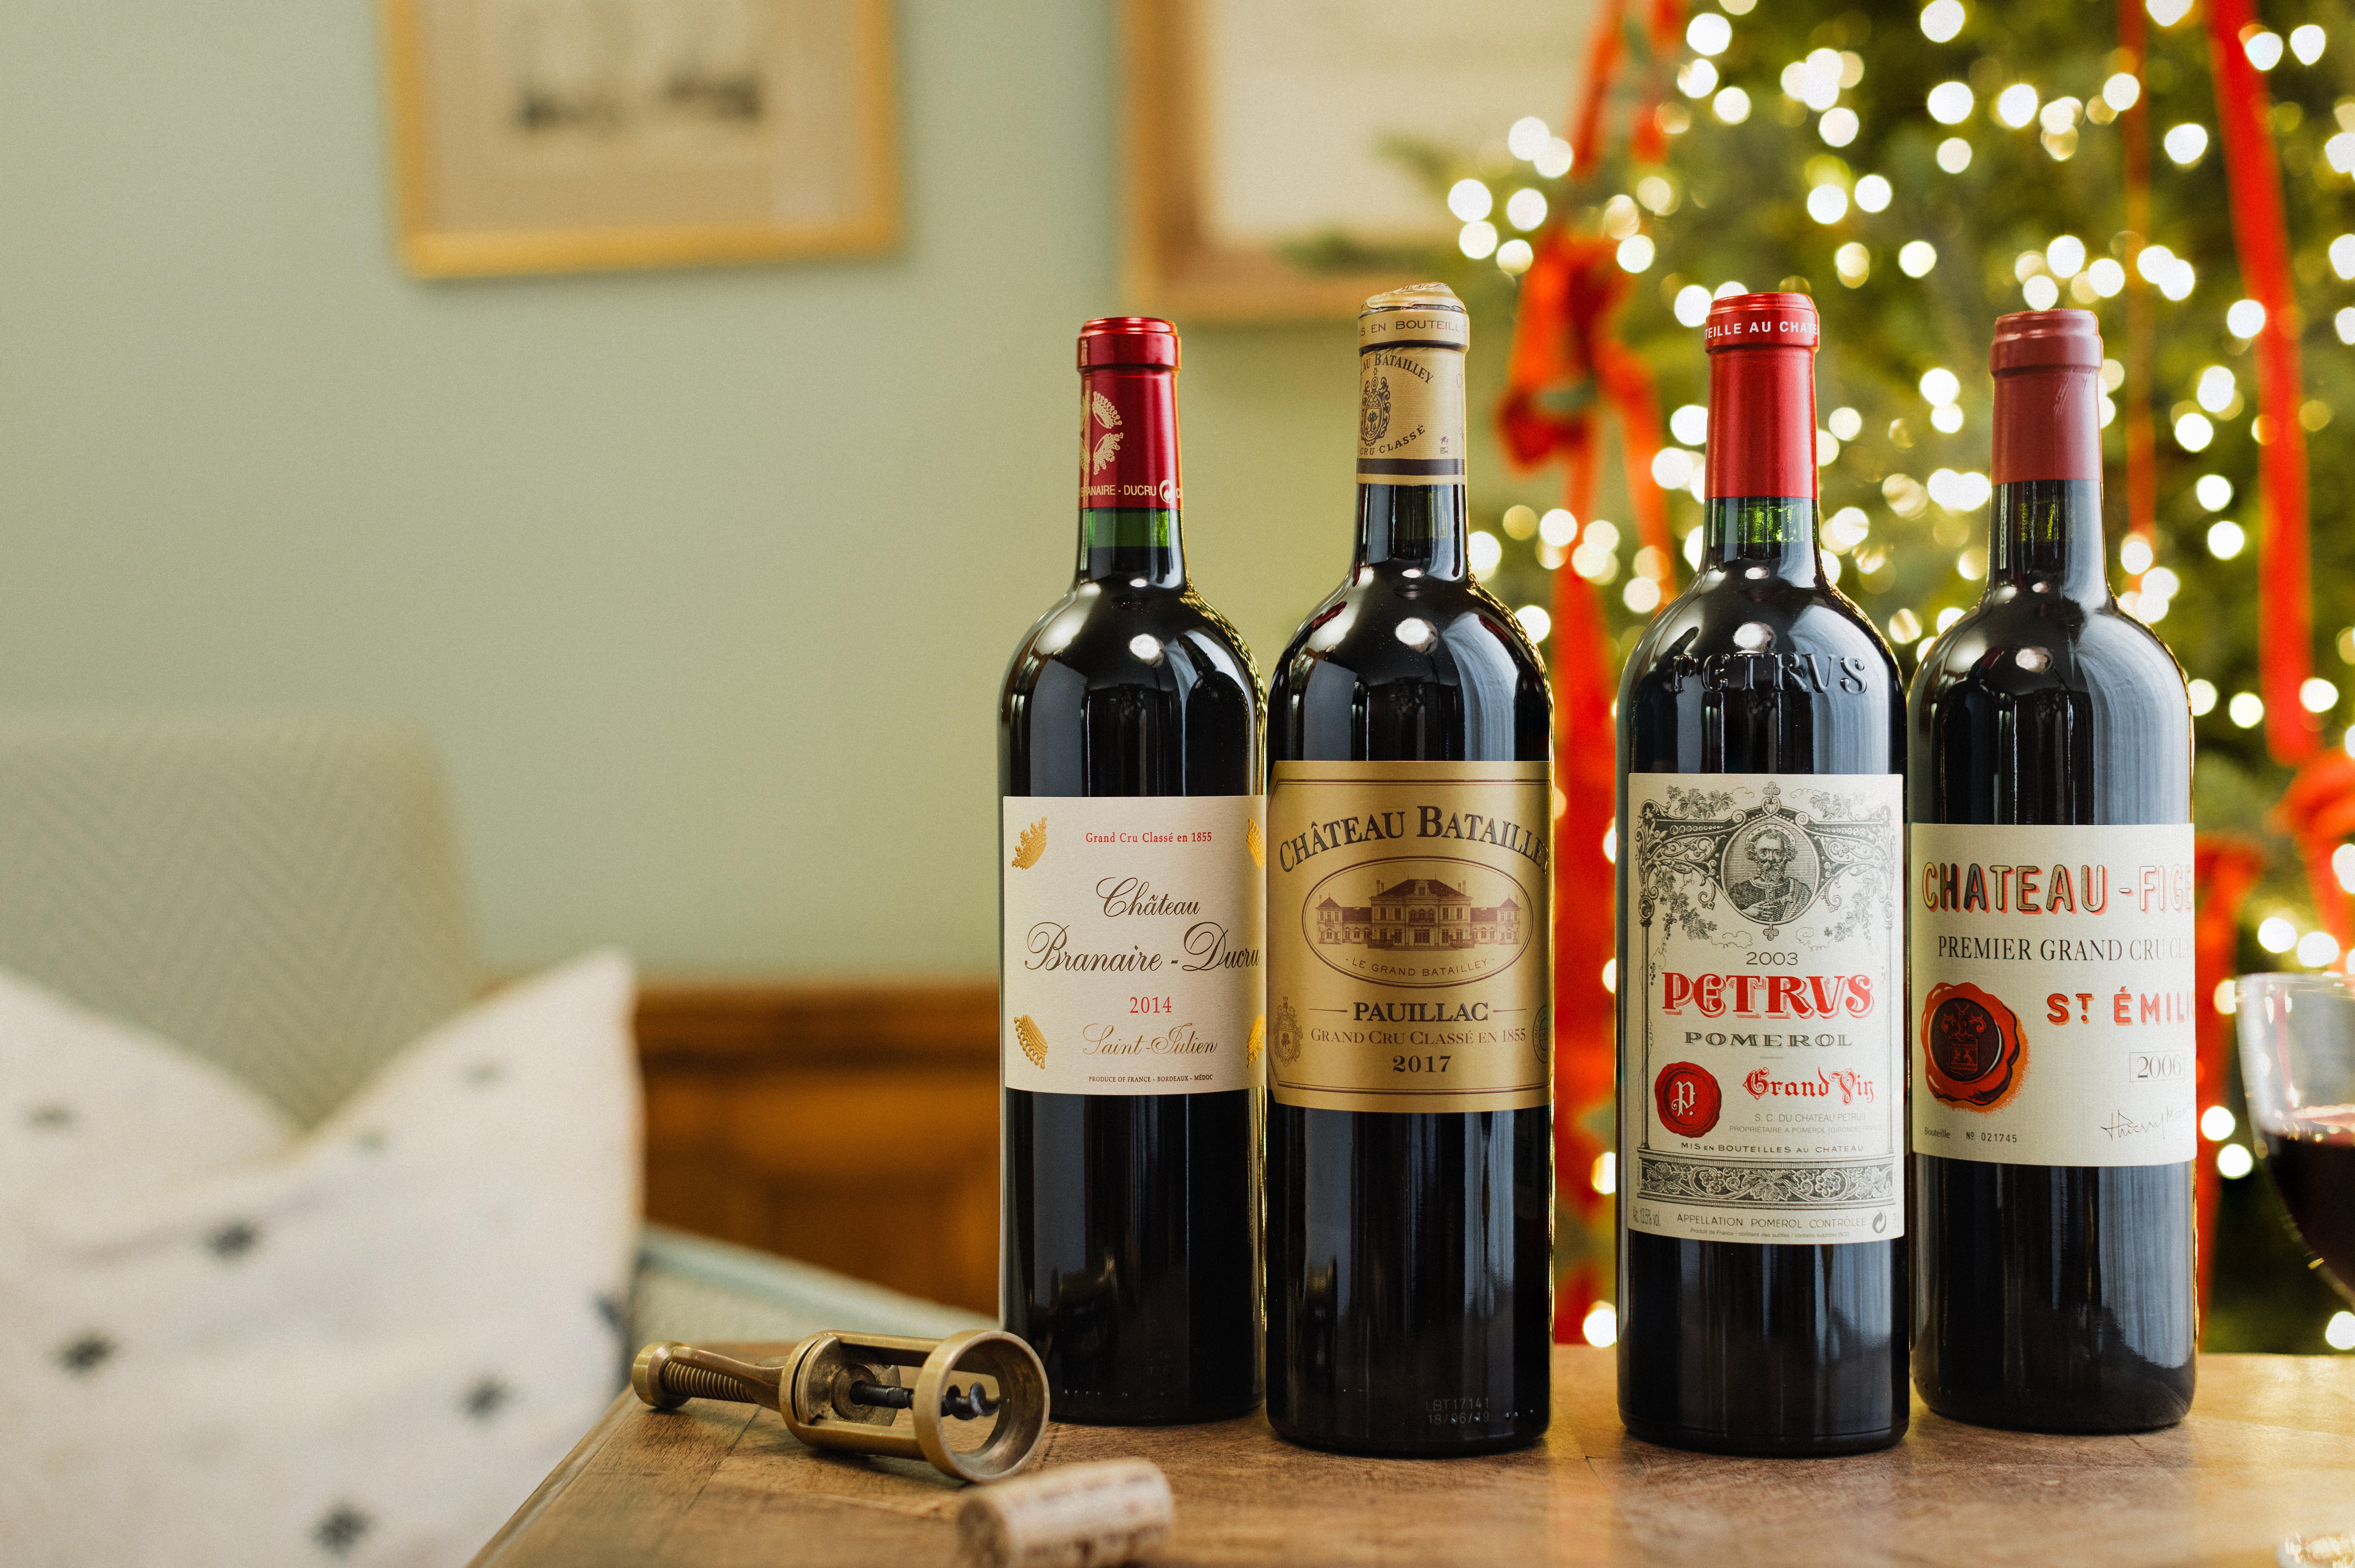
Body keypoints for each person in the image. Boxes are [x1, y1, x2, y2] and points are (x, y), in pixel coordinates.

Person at [1728, 827, 1812, 923]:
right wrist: (1748, 913)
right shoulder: (1739, 890)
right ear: (1755, 855)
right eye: (1764, 853)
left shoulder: (1802, 891)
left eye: (1778, 853)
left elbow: (1811, 919)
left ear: (1786, 856)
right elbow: (1724, 919)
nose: (1771, 859)